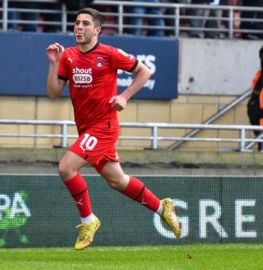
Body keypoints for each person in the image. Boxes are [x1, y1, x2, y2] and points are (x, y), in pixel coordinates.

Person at [46, 7, 181, 250]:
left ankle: (88, 221)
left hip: (103, 127)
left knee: (66, 168)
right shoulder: (68, 56)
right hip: (86, 129)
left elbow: (144, 71)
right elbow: (53, 92)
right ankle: (163, 207)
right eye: (77, 23)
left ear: (97, 30)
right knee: (118, 181)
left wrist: (125, 96)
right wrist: (54, 64)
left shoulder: (109, 54)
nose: (79, 27)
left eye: (85, 23)